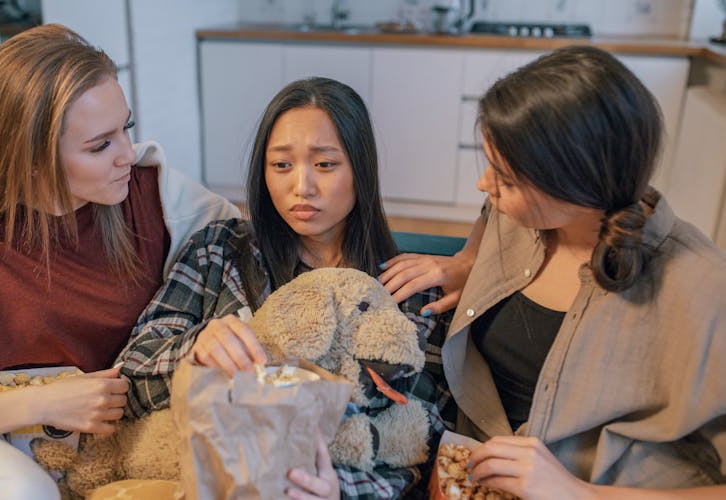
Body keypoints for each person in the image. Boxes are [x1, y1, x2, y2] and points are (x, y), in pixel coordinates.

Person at [116, 77, 453, 499]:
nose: (302, 187)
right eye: (281, 165)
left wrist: (339, 490)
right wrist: (196, 347)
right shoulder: (218, 251)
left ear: (361, 169)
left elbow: (427, 437)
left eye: (325, 165)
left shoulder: (407, 289)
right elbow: (126, 381)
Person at [429, 45, 726, 498]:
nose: (484, 185)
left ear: (577, 181)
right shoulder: (518, 215)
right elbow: (487, 219)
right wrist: (467, 263)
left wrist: (577, 492)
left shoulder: (700, 289)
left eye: (505, 177)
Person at [0, 24, 239, 499]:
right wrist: (44, 403)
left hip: (143, 443)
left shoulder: (160, 196)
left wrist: (420, 267)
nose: (126, 155)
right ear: (31, 158)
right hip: (14, 452)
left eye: (127, 129)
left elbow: (269, 250)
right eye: (100, 145)